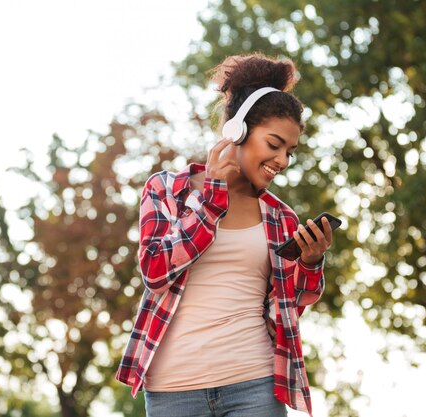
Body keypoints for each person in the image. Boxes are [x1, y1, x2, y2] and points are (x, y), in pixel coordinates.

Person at [115, 53, 333, 417]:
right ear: (238, 131)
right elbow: (154, 271)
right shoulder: (167, 190)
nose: (282, 161)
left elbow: (288, 309)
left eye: (290, 152)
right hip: (174, 388)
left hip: (255, 382)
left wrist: (310, 263)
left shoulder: (280, 217)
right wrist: (212, 201)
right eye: (274, 144)